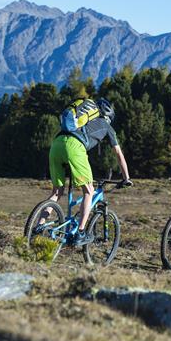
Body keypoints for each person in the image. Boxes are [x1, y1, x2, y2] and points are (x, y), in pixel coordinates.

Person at [41, 98, 132, 246]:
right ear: (109, 117)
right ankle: (81, 233)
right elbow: (119, 155)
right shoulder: (107, 126)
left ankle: (38, 227)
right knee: (89, 191)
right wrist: (126, 177)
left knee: (56, 193)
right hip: (74, 147)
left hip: (57, 143)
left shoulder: (82, 121)